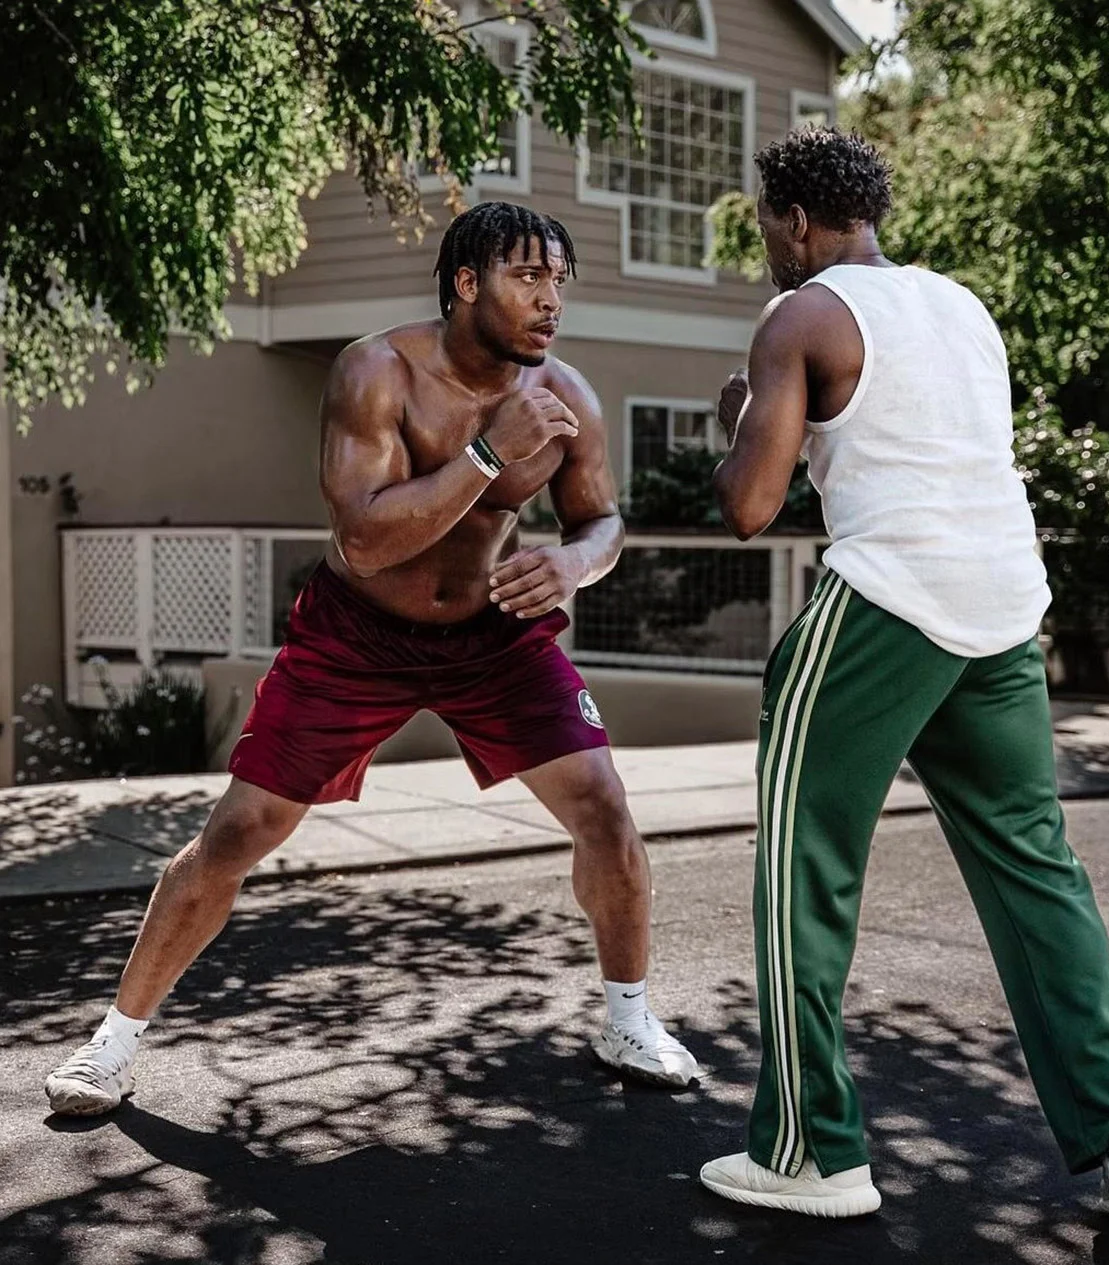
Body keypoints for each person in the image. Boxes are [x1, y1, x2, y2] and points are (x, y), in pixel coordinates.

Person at [45, 201, 698, 1116]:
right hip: (357, 633)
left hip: (491, 634)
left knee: (604, 807)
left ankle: (627, 1017)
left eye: (559, 281)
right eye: (528, 278)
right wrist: (484, 454)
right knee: (238, 832)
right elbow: (362, 542)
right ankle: (112, 1044)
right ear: (466, 283)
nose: (551, 300)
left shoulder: (567, 398)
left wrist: (576, 561)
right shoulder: (376, 369)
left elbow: (600, 520)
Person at [698, 128, 1109, 1217]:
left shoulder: (800, 314)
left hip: (884, 602)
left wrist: (738, 412)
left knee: (802, 867)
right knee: (1034, 866)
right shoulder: (961, 305)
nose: (769, 249)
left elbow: (746, 505)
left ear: (792, 220)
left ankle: (807, 1150)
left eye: (767, 229)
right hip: (1003, 606)